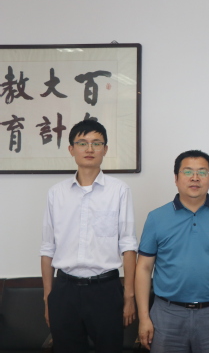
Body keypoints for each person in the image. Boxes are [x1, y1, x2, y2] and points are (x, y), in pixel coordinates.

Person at [40, 119, 138, 353]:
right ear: (71, 149)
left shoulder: (119, 190)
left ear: (105, 149)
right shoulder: (56, 193)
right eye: (82, 143)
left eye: (97, 143)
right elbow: (47, 248)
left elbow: (128, 245)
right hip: (64, 290)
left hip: (106, 289)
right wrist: (48, 298)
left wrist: (129, 296)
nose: (90, 148)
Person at [135, 150, 209, 353]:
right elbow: (143, 267)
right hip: (167, 314)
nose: (195, 178)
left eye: (202, 172)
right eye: (187, 172)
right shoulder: (156, 218)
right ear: (176, 178)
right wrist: (144, 318)